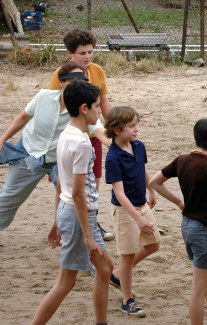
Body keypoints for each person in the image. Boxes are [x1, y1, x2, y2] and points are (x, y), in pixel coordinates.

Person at [31, 80, 113, 325]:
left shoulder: (66, 135)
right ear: (84, 108)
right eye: (97, 107)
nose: (100, 112)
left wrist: (57, 220)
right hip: (80, 216)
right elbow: (77, 193)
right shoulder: (81, 143)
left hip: (71, 213)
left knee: (106, 268)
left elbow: (61, 184)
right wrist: (88, 235)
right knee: (65, 283)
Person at [149, 118, 207, 325]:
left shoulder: (183, 159)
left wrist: (179, 203)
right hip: (204, 230)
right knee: (198, 287)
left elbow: (155, 182)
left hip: (188, 226)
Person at [0, 62, 108, 232]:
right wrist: (2, 140)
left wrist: (120, 146)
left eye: (81, 80)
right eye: (71, 80)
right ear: (61, 82)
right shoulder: (43, 97)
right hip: (29, 152)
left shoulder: (83, 107)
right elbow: (22, 118)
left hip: (59, 160)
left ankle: (86, 230)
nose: (75, 84)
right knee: (9, 197)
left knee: (75, 195)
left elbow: (100, 131)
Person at [48, 29, 113, 240]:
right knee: (67, 185)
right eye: (82, 53)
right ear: (70, 53)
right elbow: (55, 109)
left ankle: (91, 223)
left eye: (90, 52)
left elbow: (103, 102)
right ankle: (61, 224)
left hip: (92, 137)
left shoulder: (97, 71)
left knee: (93, 182)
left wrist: (113, 127)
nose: (87, 57)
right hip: (71, 137)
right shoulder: (61, 75)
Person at [104, 106, 161, 317]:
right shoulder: (112, 158)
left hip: (142, 205)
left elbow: (143, 168)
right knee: (127, 257)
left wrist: (151, 189)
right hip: (125, 212)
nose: (136, 129)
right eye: (131, 126)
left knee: (154, 244)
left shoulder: (138, 146)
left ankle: (117, 275)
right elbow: (119, 193)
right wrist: (137, 218)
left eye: (136, 124)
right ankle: (127, 300)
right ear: (117, 129)